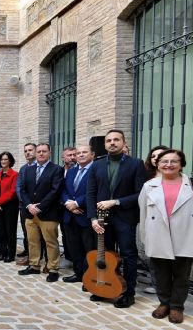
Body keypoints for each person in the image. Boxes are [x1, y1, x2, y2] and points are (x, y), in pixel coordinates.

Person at [86, 129, 147, 308]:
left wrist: (116, 202)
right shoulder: (96, 165)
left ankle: (128, 293)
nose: (112, 143)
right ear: (104, 144)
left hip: (125, 217)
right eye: (108, 140)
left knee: (128, 255)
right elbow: (90, 193)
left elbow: (140, 193)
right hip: (101, 219)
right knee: (105, 254)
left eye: (116, 140)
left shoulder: (136, 164)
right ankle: (104, 287)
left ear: (123, 142)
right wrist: (92, 218)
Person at [139, 149, 192, 324]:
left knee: (181, 274)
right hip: (157, 235)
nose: (168, 165)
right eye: (164, 161)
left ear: (181, 164)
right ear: (158, 164)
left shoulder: (190, 185)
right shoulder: (149, 185)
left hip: (184, 235)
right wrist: (145, 238)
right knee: (160, 273)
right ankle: (164, 303)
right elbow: (144, 214)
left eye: (173, 161)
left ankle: (176, 307)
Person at [18, 143, 64, 282]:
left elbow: (55, 191)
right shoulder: (29, 170)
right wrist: (29, 205)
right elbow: (23, 190)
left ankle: (53, 268)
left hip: (48, 213)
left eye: (44, 151)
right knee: (32, 241)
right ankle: (34, 265)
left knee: (50, 242)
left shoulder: (57, 169)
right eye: (39, 151)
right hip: (30, 213)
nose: (41, 154)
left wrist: (41, 206)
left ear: (50, 152)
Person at [60, 145, 95, 283]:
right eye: (78, 153)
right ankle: (78, 273)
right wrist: (69, 204)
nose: (80, 155)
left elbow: (94, 192)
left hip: (86, 215)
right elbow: (63, 190)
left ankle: (89, 276)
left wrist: (77, 203)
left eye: (84, 152)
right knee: (74, 247)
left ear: (92, 154)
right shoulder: (71, 171)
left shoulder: (96, 170)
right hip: (70, 215)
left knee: (89, 248)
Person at [139, 145, 169, 294]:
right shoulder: (146, 179)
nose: (156, 158)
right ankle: (157, 285)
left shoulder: (178, 178)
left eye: (161, 155)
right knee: (152, 255)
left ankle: (171, 288)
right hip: (151, 223)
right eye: (153, 156)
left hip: (171, 224)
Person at [0, 151, 19, 263]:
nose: (3, 161)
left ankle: (10, 254)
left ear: (10, 161)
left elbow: (12, 192)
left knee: (10, 231)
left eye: (6, 159)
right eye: (2, 159)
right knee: (0, 231)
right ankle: (1, 252)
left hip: (10, 206)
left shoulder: (15, 175)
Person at [15, 143, 37, 265]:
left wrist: (34, 204)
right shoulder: (23, 168)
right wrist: (25, 202)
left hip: (39, 206)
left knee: (39, 233)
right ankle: (29, 254)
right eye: (25, 151)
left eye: (30, 150)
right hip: (24, 205)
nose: (28, 153)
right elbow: (19, 187)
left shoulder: (41, 167)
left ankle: (39, 257)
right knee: (26, 231)